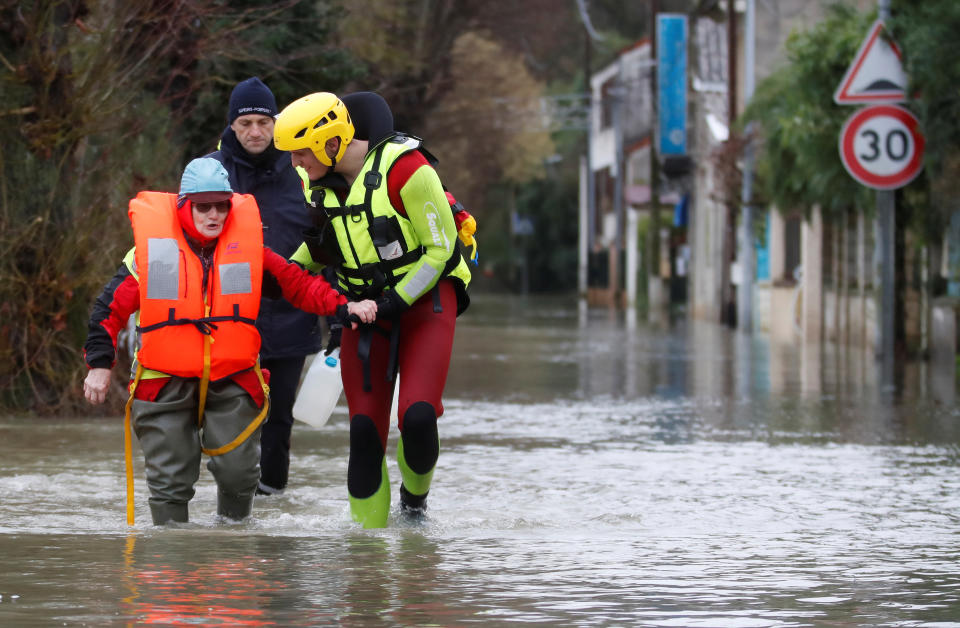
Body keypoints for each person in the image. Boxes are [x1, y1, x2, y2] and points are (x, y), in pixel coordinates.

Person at [82, 157, 377, 525]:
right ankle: (172, 564)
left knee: (240, 475)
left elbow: (297, 285)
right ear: (183, 207)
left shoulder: (250, 249)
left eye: (221, 205)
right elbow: (107, 310)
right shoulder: (148, 253)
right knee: (169, 482)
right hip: (163, 380)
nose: (214, 214)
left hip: (233, 377)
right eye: (203, 206)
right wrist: (99, 364)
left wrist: (344, 306)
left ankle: (234, 555)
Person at [273, 91, 472, 528]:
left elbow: (440, 251)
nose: (296, 164)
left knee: (417, 417)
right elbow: (324, 242)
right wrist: (284, 273)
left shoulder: (409, 170)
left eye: (301, 153)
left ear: (330, 143)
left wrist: (394, 302)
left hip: (425, 301)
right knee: (364, 433)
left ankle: (414, 504)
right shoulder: (315, 181)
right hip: (363, 311)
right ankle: (366, 563)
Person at [206, 76, 325, 496]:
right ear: (231, 127)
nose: (255, 132)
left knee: (279, 420)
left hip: (294, 315)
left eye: (263, 122)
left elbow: (328, 244)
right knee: (230, 413)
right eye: (246, 124)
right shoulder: (210, 172)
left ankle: (273, 507)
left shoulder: (304, 169)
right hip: (227, 319)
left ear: (276, 123)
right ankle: (232, 500)